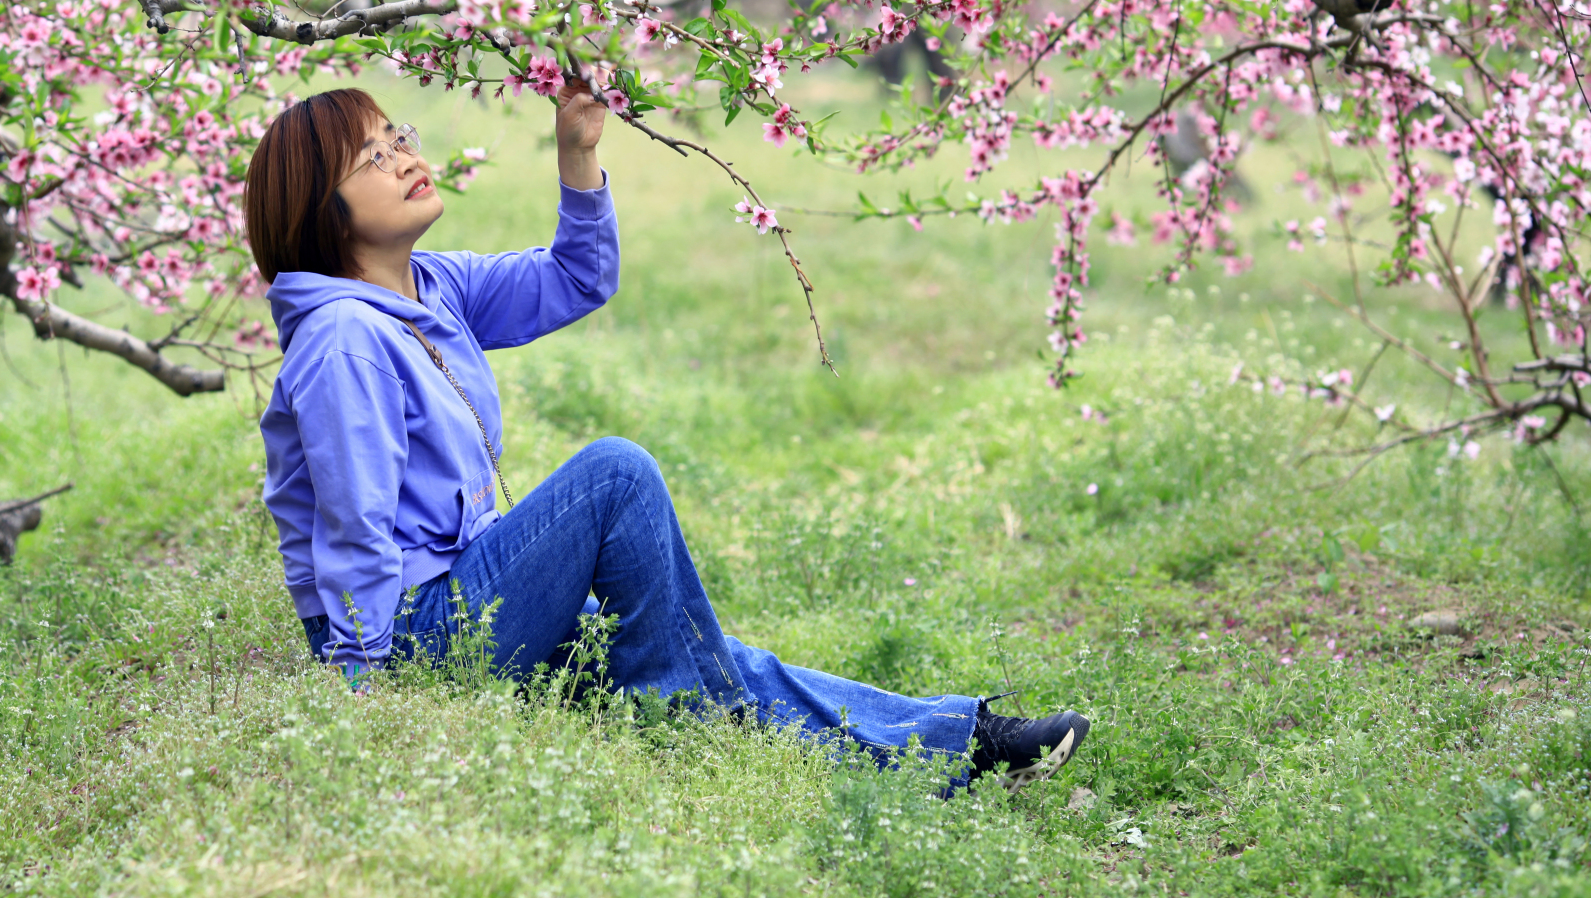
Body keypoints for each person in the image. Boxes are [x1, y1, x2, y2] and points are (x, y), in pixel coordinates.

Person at [243, 81, 1090, 792]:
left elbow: (576, 277)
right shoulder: (344, 339)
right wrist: (364, 689)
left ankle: (964, 744)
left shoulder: (431, 286)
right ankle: (682, 706)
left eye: (399, 135)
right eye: (373, 159)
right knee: (615, 475)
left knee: (702, 649)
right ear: (321, 210)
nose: (406, 157)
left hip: (466, 597)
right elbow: (351, 526)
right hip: (415, 637)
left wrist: (577, 155)